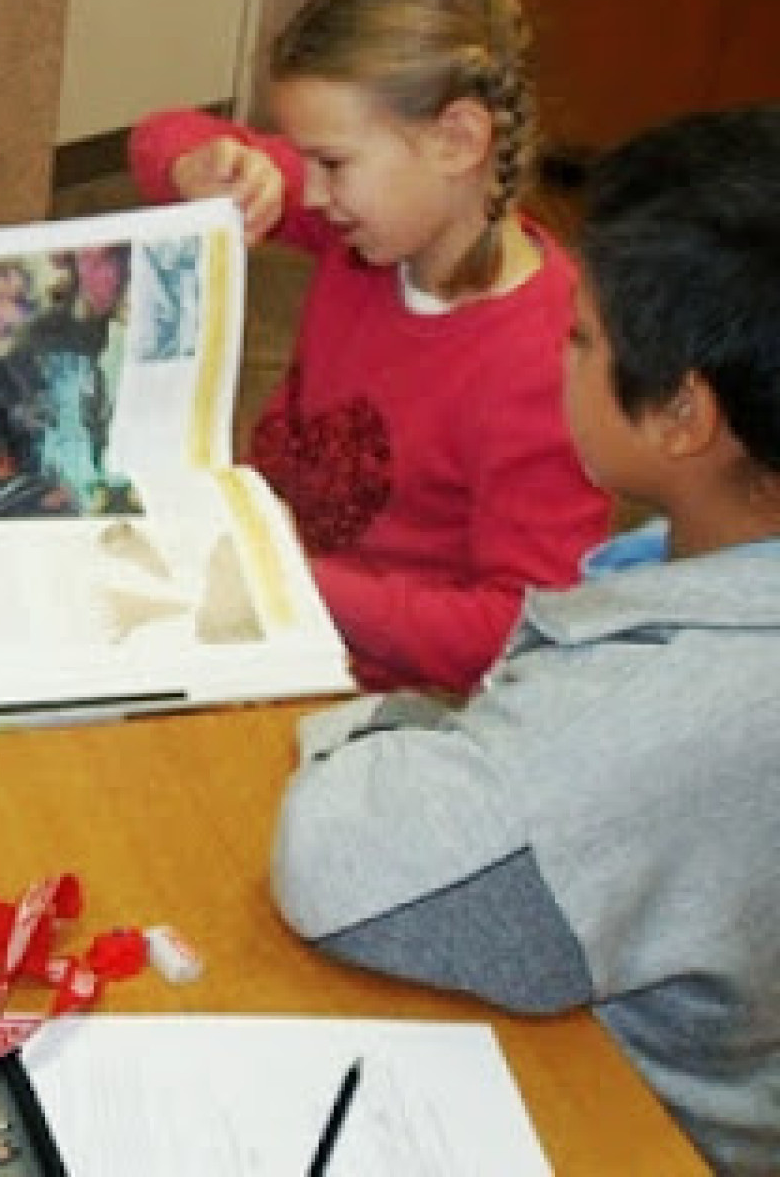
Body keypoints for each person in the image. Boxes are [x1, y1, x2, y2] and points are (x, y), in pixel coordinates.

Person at [270, 106, 780, 1175]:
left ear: (684, 417)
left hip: (636, 1124)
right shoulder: (702, 570)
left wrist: (376, 728)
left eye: (581, 338)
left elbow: (339, 868)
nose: (560, 352)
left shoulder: (677, 707)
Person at [129, 0, 611, 695]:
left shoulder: (551, 364)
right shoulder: (371, 225)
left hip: (368, 683)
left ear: (457, 140)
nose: (311, 192)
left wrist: (294, 579)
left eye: (331, 163)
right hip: (256, 586)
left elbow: (518, 629)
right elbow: (157, 137)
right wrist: (202, 168)